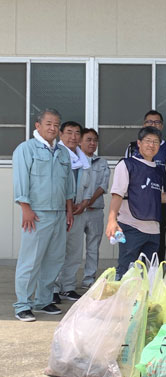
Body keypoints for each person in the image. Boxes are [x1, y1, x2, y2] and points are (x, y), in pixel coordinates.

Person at [13, 108, 74, 321]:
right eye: (48, 124)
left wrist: (68, 210)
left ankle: (43, 300)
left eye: (56, 125)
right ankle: (22, 304)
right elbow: (21, 181)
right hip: (37, 214)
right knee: (30, 261)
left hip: (59, 213)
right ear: (37, 126)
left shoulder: (63, 152)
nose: (53, 128)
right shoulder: (26, 149)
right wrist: (25, 209)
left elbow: (68, 185)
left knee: (54, 260)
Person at [107, 126, 166, 280]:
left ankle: (142, 303)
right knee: (127, 272)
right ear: (139, 143)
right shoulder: (127, 164)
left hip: (154, 231)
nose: (152, 145)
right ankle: (124, 303)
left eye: (156, 142)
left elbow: (159, 197)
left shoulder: (158, 171)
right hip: (131, 227)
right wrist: (111, 220)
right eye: (148, 141)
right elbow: (117, 194)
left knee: (149, 274)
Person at [124, 110, 166, 261]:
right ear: (143, 125)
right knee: (134, 240)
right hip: (136, 202)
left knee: (158, 238)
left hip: (160, 200)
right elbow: (127, 173)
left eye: (157, 122)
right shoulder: (133, 147)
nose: (153, 125)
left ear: (162, 126)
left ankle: (155, 272)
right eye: (149, 122)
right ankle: (134, 275)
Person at [54, 121, 90, 303]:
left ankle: (67, 287)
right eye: (69, 132)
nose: (73, 137)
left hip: (79, 210)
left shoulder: (83, 158)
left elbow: (88, 184)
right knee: (56, 251)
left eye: (77, 133)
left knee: (75, 250)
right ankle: (52, 288)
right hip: (59, 210)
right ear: (60, 134)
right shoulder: (56, 154)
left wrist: (84, 202)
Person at [79, 129, 110, 289]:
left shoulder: (102, 162)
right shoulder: (74, 160)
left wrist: (87, 201)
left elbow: (103, 187)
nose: (92, 143)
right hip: (77, 212)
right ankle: (64, 283)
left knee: (93, 248)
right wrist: (82, 204)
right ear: (80, 141)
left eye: (95, 140)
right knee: (72, 249)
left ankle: (89, 279)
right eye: (88, 139)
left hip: (95, 211)